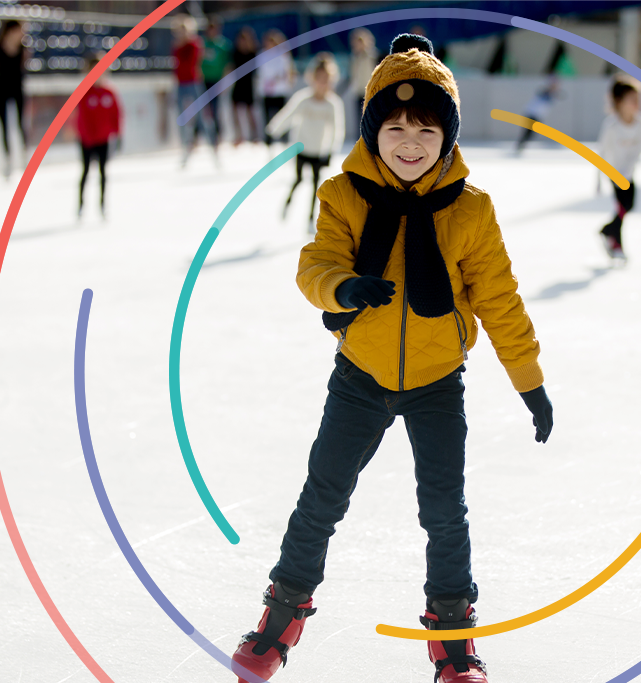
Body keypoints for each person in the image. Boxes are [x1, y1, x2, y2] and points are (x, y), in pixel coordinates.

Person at [231, 33, 553, 683]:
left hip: (438, 381)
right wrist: (342, 287)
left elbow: (502, 301)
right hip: (359, 377)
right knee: (321, 496)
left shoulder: (470, 211)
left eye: (426, 129)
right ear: (373, 130)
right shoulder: (343, 196)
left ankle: (453, 639)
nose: (410, 141)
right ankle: (281, 614)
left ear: (449, 136)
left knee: (443, 509)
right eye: (396, 126)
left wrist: (530, 382)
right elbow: (315, 265)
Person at [265, 53, 345, 231]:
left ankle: (310, 218)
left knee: (316, 186)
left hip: (319, 151)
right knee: (299, 179)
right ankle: (288, 202)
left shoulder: (333, 104)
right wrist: (272, 131)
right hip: (302, 148)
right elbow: (288, 116)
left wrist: (331, 150)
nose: (322, 83)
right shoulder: (304, 99)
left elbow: (337, 130)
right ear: (312, 78)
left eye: (326, 79)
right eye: (319, 78)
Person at [597, 75, 641, 262]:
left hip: (629, 172)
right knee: (622, 206)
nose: (636, 104)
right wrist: (602, 177)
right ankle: (617, 244)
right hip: (613, 172)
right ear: (619, 102)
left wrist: (629, 169)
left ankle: (608, 231)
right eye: (632, 100)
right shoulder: (611, 126)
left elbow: (638, 149)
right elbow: (603, 151)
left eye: (638, 100)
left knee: (629, 205)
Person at [75, 53, 121, 219]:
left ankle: (102, 205)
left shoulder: (109, 92)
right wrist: (86, 138)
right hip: (87, 141)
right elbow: (81, 120)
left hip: (103, 140)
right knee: (86, 171)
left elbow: (117, 114)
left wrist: (117, 134)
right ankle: (80, 205)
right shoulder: (84, 93)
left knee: (103, 172)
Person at [171, 14, 218, 168]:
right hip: (181, 84)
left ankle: (213, 149)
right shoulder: (177, 46)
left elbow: (190, 64)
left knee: (203, 118)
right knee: (182, 120)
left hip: (193, 83)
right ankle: (185, 150)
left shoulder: (194, 44)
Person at [0, 20, 29, 178]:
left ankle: (24, 155)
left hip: (18, 90)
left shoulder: (22, 48)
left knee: (20, 123)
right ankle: (8, 159)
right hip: (3, 91)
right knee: (4, 127)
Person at [257, 29, 295, 148]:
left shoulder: (283, 54)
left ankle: (285, 139)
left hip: (280, 90)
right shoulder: (262, 55)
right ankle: (268, 140)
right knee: (267, 116)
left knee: (283, 115)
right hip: (267, 91)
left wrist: (279, 80)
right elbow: (260, 72)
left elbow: (287, 71)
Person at [200, 15, 232, 145]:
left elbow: (228, 65)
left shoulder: (223, 45)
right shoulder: (202, 44)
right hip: (203, 80)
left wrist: (224, 82)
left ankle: (218, 136)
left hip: (216, 80)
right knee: (201, 109)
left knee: (215, 109)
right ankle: (198, 136)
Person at [230, 26, 260, 146]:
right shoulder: (235, 53)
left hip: (249, 86)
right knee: (235, 112)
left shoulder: (253, 53)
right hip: (238, 85)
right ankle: (239, 135)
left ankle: (255, 135)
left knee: (250, 112)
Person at [515, 76, 560, 153]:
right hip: (532, 113)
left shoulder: (550, 95)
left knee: (530, 132)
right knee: (528, 131)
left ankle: (521, 145)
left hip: (537, 115)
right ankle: (520, 146)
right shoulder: (545, 92)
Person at [347, 28, 378, 131]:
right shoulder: (354, 58)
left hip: (372, 93)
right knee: (360, 123)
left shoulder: (373, 56)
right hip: (359, 93)